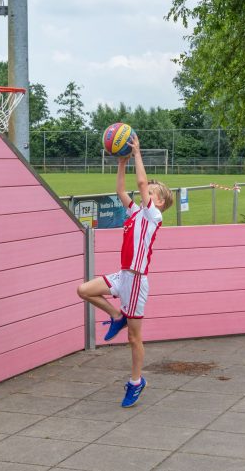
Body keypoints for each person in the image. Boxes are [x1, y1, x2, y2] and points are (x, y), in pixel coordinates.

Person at [77, 133, 174, 408]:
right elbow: (121, 191)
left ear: (159, 202)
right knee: (84, 290)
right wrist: (122, 162)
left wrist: (137, 153)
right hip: (123, 275)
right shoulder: (135, 212)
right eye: (147, 192)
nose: (145, 193)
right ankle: (116, 315)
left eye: (151, 193)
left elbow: (141, 182)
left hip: (137, 282)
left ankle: (136, 381)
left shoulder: (154, 216)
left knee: (134, 338)